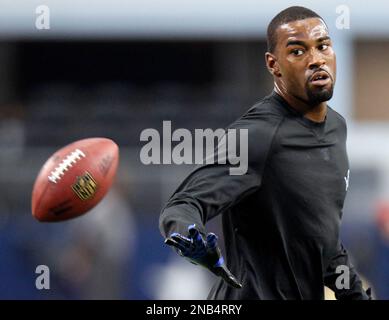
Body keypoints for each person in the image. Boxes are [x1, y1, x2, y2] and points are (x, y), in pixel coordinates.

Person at [159, 6, 371, 300]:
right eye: (298, 52)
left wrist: (356, 294)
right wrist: (189, 234)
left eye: (322, 46)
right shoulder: (256, 135)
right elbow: (183, 203)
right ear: (274, 65)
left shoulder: (337, 128)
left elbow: (324, 245)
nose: (316, 60)